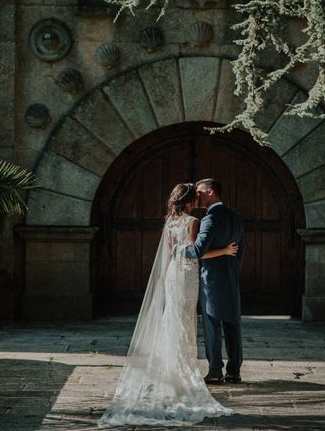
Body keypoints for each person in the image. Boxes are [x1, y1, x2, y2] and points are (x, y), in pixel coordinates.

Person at [98, 183, 237, 428]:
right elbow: (196, 252)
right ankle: (181, 373)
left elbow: (170, 254)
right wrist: (224, 250)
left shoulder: (170, 221)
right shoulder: (192, 221)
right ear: (189, 200)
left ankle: (170, 371)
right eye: (195, 197)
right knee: (184, 322)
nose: (197, 200)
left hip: (173, 274)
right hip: (186, 276)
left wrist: (164, 280)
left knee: (173, 320)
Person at [185, 178, 244, 384]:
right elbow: (240, 251)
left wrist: (177, 249)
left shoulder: (209, 219)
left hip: (211, 278)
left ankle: (215, 371)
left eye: (199, 191)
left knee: (212, 324)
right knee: (233, 323)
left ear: (211, 192)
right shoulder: (236, 217)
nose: (196, 195)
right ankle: (234, 371)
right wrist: (234, 270)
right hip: (231, 275)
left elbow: (197, 251)